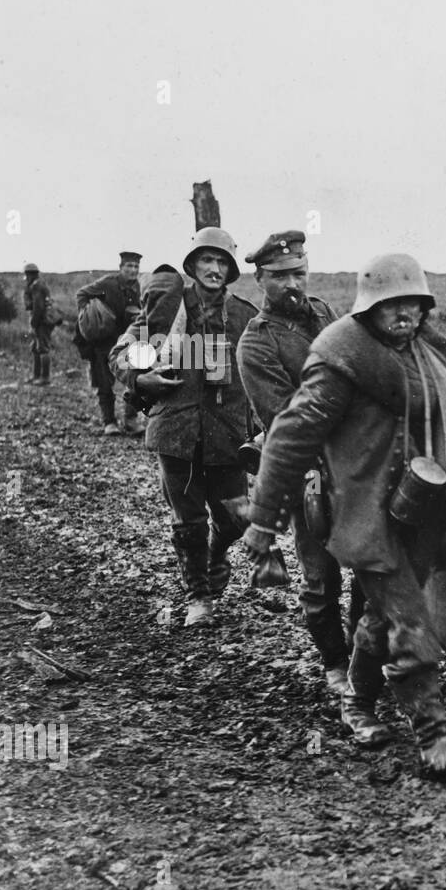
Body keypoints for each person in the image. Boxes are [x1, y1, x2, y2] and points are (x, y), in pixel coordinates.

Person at [241, 254, 446, 776]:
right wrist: (264, 519)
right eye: (392, 305)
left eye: (413, 305)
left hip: (423, 509)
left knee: (381, 617)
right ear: (369, 308)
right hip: (365, 513)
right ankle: (435, 735)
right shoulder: (342, 360)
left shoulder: (429, 356)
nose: (404, 316)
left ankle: (357, 700)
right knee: (411, 618)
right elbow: (290, 435)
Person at [113, 228, 258, 628]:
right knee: (188, 519)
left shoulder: (245, 316)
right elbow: (123, 352)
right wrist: (140, 379)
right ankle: (199, 596)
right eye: (206, 261)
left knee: (235, 518)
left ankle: (215, 556)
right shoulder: (167, 309)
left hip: (228, 433)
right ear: (192, 266)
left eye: (222, 262)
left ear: (230, 270)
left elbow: (263, 369)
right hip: (176, 431)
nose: (214, 269)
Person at [236, 230, 351, 695]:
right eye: (280, 277)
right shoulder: (257, 343)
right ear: (259, 279)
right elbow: (285, 418)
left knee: (372, 563)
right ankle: (335, 664)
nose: (293, 284)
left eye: (299, 273)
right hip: (309, 471)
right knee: (321, 575)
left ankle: (365, 656)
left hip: (354, 462)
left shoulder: (324, 313)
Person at [75, 251, 142, 435]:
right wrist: (90, 316)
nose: (133, 270)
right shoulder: (108, 283)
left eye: (136, 266)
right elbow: (82, 294)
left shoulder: (137, 287)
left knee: (135, 379)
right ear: (121, 268)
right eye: (129, 266)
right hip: (105, 341)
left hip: (128, 341)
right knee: (104, 383)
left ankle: (131, 419)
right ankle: (109, 422)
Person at [22, 263, 55, 386]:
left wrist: (34, 323)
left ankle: (45, 378)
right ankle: (36, 376)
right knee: (36, 348)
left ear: (30, 274)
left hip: (42, 321)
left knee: (43, 348)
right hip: (41, 320)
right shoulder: (38, 284)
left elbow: (38, 307)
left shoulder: (37, 286)